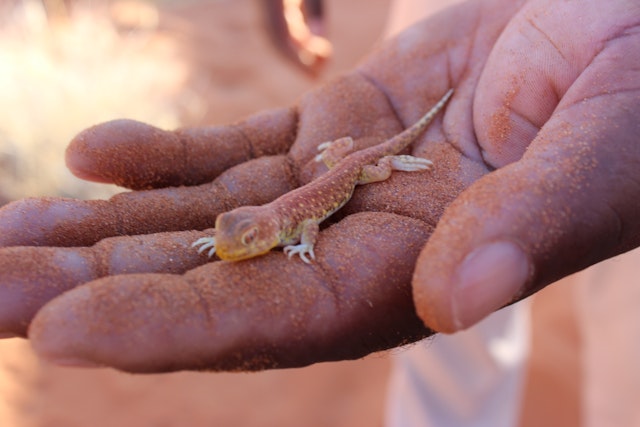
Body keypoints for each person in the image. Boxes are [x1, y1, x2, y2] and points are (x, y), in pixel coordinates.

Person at [0, 0, 637, 410]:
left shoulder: (291, 224)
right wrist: (216, 238)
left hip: (373, 151)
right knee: (444, 324)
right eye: (236, 240)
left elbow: (305, 220)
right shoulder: (258, 224)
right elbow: (251, 225)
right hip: (431, 26)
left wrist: (304, 241)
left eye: (241, 242)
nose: (234, 248)